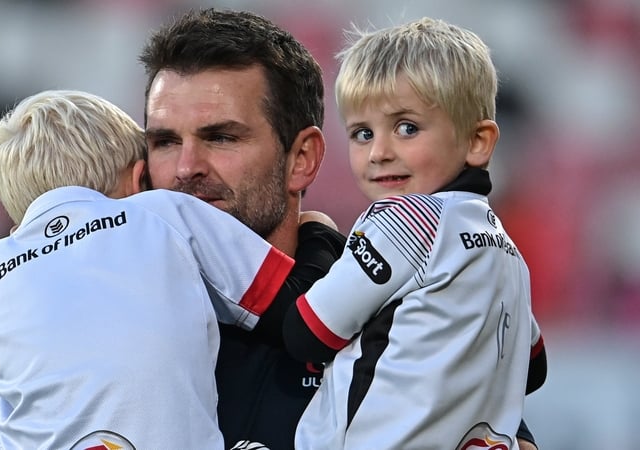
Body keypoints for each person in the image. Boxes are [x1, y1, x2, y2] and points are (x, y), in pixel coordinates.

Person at [139, 8, 542, 450]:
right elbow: (532, 365)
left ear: (302, 159)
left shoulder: (408, 300)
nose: (186, 168)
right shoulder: (110, 324)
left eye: (221, 137)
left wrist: (321, 251)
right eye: (165, 142)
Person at [0, 89, 335, 449]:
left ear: (18, 223)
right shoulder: (162, 211)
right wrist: (318, 230)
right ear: (138, 181)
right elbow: (303, 315)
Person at [278, 17, 548, 449]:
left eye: (407, 128)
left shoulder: (406, 218)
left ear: (477, 141)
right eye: (362, 133)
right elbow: (532, 368)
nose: (379, 152)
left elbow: (307, 333)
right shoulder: (505, 248)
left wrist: (316, 237)